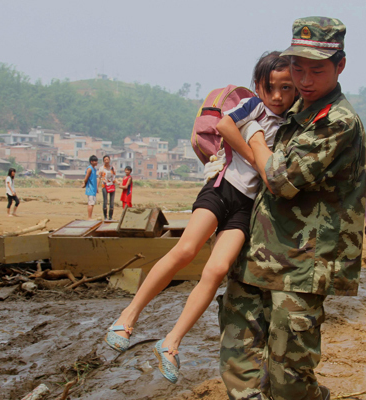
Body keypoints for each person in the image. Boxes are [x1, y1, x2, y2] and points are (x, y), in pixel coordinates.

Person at [105, 52, 297, 385]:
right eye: (271, 87)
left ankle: (171, 343)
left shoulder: (294, 122)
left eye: (286, 88)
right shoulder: (254, 107)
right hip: (221, 188)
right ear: (258, 87)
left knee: (217, 270)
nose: (278, 96)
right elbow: (224, 124)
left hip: (246, 207)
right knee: (185, 250)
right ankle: (127, 316)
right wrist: (256, 159)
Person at [218, 17, 366, 400]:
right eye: (297, 68)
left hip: (302, 266)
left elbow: (279, 179)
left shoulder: (338, 122)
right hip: (257, 255)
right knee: (239, 359)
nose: (304, 79)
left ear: (341, 65)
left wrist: (249, 134)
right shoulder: (289, 106)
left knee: (289, 377)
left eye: (316, 70)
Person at [98, 155, 117, 220]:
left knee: (112, 202)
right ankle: (105, 217)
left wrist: (118, 183)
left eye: (107, 160)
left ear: (109, 160)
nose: (106, 161)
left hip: (112, 186)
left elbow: (114, 177)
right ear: (103, 161)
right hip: (104, 186)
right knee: (105, 201)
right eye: (105, 160)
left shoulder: (113, 168)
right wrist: (97, 187)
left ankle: (110, 217)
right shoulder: (101, 168)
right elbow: (99, 178)